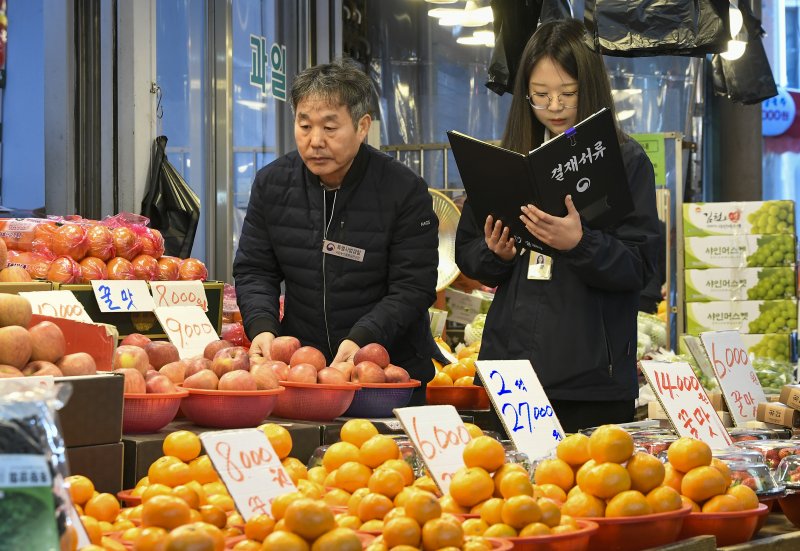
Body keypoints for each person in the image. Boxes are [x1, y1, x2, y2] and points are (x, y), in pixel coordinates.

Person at [455, 19, 660, 433]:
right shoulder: (507, 159)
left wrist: (580, 242)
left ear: (593, 89)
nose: (554, 106)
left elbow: (641, 269)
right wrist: (496, 253)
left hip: (589, 380)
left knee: (590, 493)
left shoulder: (626, 160)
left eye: (567, 93)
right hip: (511, 375)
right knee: (510, 492)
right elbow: (469, 251)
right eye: (540, 95)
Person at [232, 59, 440, 400]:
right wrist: (263, 327)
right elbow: (255, 269)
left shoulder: (403, 190)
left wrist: (363, 338)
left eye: (330, 128)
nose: (315, 141)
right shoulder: (272, 184)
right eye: (304, 125)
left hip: (387, 375)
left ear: (362, 126)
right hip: (304, 374)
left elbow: (412, 287)